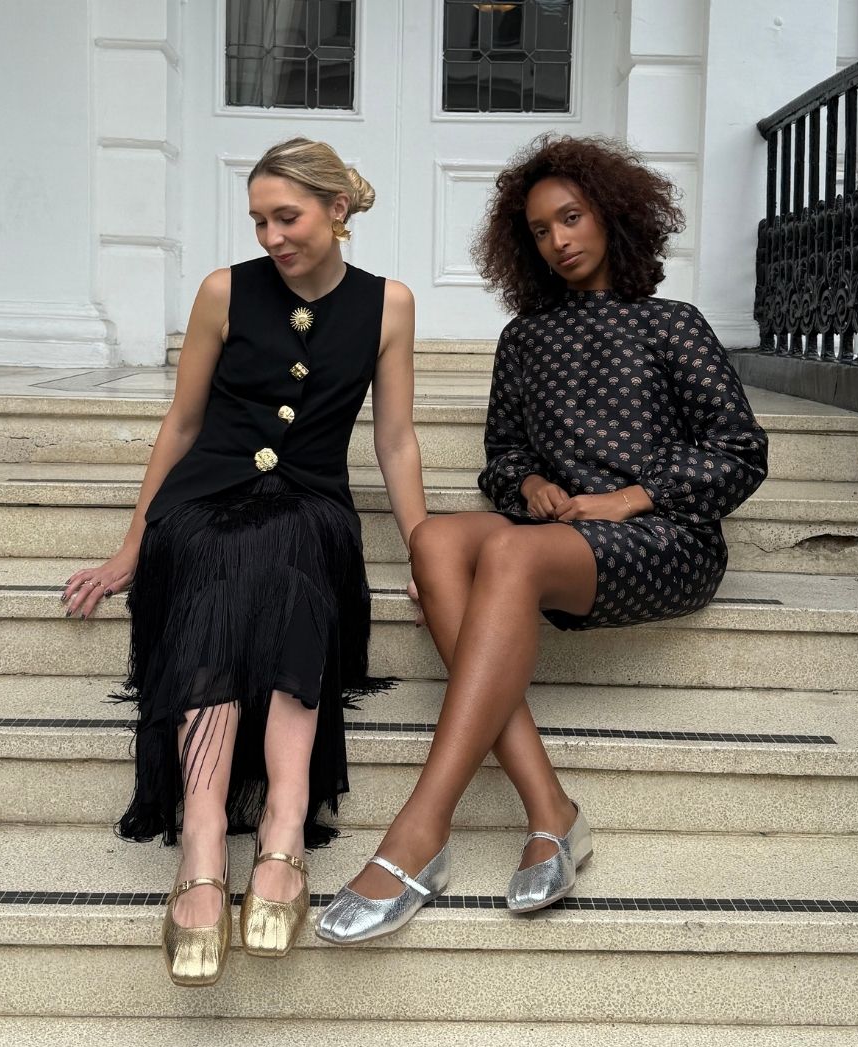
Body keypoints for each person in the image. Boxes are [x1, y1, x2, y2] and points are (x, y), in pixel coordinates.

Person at [317, 134, 769, 944]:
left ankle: (420, 831)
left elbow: (740, 451)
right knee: (436, 543)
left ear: (613, 218)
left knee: (510, 554)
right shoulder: (524, 338)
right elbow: (505, 458)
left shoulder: (672, 324)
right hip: (554, 531)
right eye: (539, 229)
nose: (558, 240)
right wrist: (529, 485)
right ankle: (550, 808)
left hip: (664, 538)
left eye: (572, 218)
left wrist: (630, 498)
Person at [62, 137, 426, 983]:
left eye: (287, 216)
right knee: (222, 557)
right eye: (259, 219)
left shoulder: (390, 306)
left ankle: (284, 824)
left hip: (312, 505)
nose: (271, 235)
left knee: (289, 549)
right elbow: (183, 426)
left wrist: (423, 544)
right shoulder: (223, 291)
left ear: (338, 210)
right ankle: (202, 836)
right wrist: (132, 543)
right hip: (206, 500)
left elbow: (397, 439)